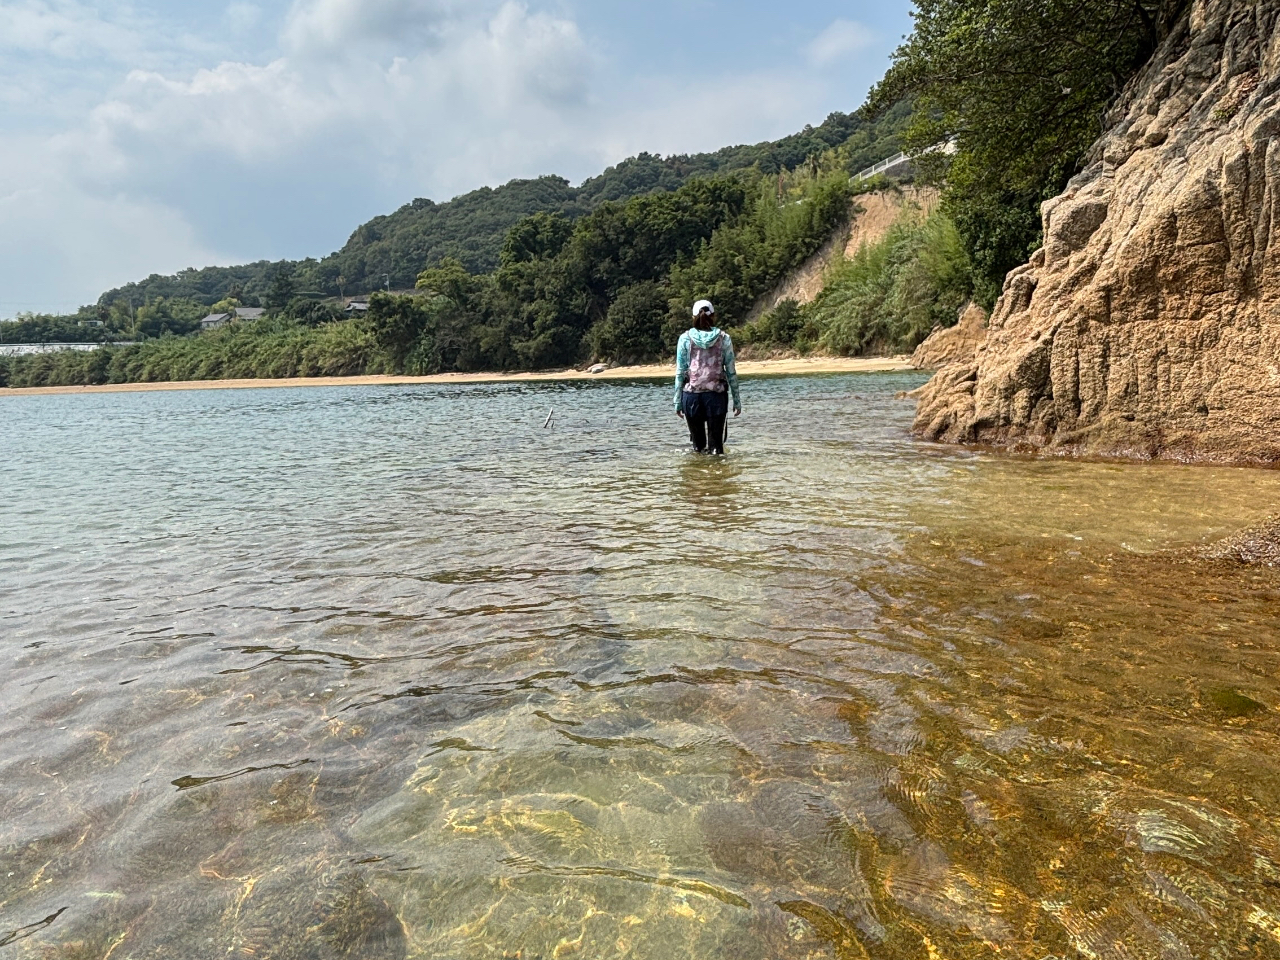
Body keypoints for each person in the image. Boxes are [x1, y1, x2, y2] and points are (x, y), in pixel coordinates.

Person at [674, 299, 741, 455]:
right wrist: (737, 400)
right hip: (716, 397)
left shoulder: (684, 338)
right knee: (717, 448)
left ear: (693, 317)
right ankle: (717, 476)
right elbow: (731, 371)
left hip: (691, 397)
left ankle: (699, 476)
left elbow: (680, 372)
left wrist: (677, 402)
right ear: (713, 316)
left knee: (697, 448)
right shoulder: (724, 338)